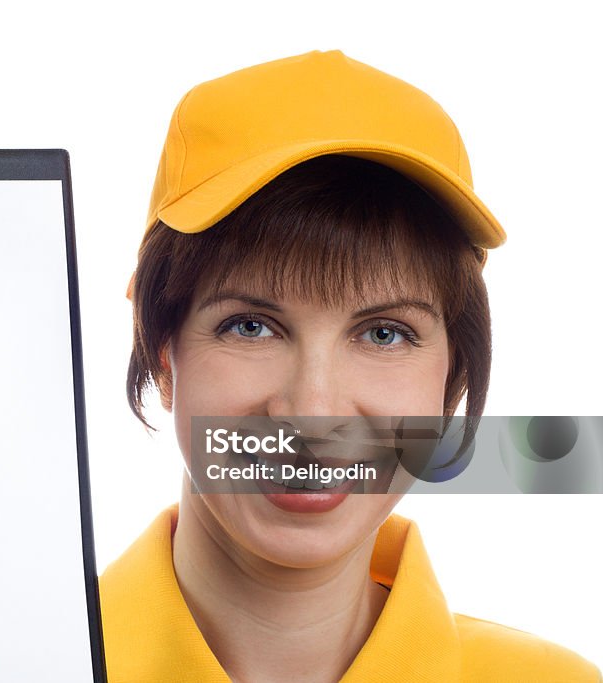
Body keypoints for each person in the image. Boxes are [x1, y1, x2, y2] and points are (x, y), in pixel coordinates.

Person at [99, 50, 601, 683]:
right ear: (162, 356)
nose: (314, 412)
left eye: (385, 333)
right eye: (250, 326)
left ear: (451, 382)